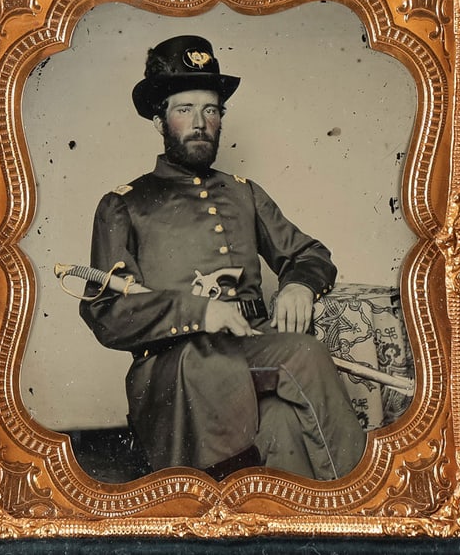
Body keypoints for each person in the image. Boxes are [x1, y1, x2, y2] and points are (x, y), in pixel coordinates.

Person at [79, 35, 365, 480]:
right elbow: (106, 312)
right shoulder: (125, 204)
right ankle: (363, 499)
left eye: (210, 110)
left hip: (251, 344)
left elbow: (310, 253)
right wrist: (198, 311)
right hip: (175, 368)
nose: (199, 122)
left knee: (283, 426)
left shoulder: (243, 192)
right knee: (304, 355)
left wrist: (299, 284)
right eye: (184, 109)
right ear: (159, 120)